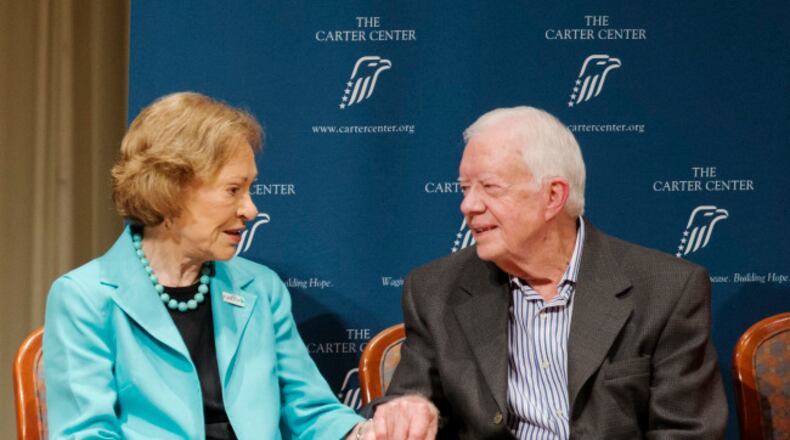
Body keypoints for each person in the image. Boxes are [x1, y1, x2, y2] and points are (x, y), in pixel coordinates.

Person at [365, 107, 727, 439]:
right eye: (464, 188)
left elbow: (687, 432)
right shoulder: (435, 290)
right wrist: (405, 411)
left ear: (553, 196)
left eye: (489, 187)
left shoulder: (666, 290)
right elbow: (408, 402)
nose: (468, 205)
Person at [43, 92, 373, 440]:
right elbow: (86, 433)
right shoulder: (85, 297)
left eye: (249, 188)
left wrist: (364, 434)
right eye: (233, 190)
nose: (251, 210)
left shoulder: (261, 288)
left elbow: (310, 410)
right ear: (171, 190)